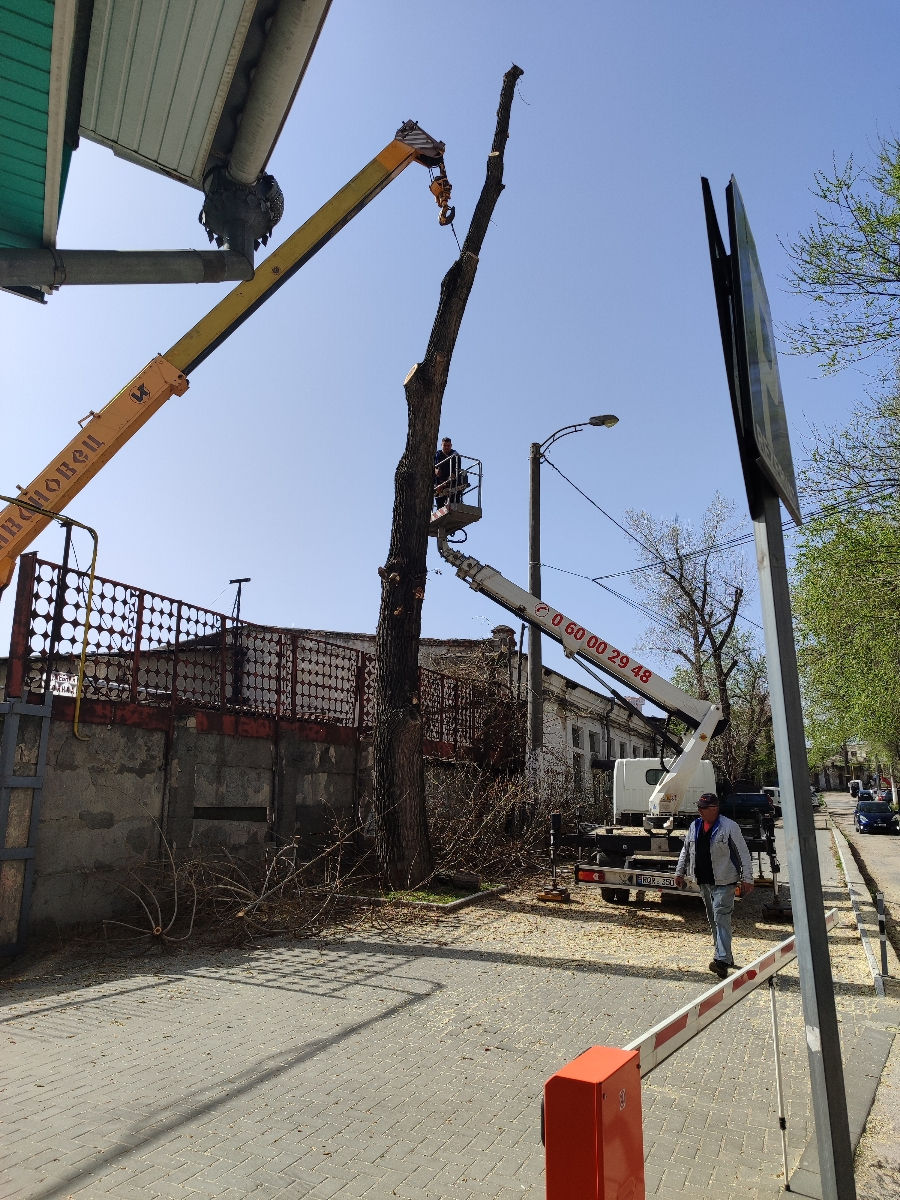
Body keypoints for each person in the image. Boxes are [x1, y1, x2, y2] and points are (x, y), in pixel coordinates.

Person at [674, 792, 754, 978]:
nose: (699, 811)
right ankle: (725, 956)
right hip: (703, 881)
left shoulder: (729, 827)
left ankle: (721, 959)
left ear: (715, 809)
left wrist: (748, 878)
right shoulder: (695, 826)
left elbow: (743, 854)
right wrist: (679, 872)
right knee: (714, 919)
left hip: (725, 881)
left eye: (703, 808)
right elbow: (686, 850)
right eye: (699, 807)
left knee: (721, 916)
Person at [434, 436, 462, 507]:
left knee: (454, 503)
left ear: (451, 446)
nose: (446, 447)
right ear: (441, 445)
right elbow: (433, 468)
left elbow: (457, 469)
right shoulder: (437, 455)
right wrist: (435, 471)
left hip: (452, 482)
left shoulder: (455, 455)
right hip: (439, 483)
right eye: (444, 445)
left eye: (448, 446)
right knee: (440, 505)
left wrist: (451, 477)